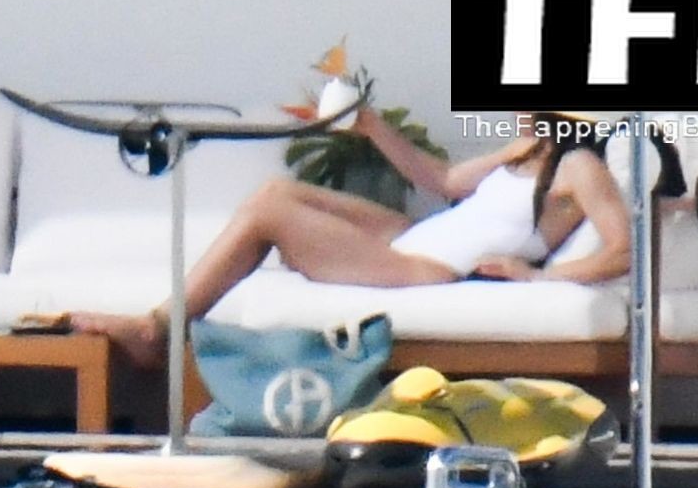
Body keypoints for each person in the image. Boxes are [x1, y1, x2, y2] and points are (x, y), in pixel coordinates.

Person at [71, 109, 637, 368]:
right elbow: (442, 181)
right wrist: (368, 124)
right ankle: (164, 323)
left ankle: (158, 328)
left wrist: (536, 275)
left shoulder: (580, 167)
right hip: (413, 237)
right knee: (277, 190)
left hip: (422, 268)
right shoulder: (524, 151)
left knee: (270, 211)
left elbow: (622, 251)